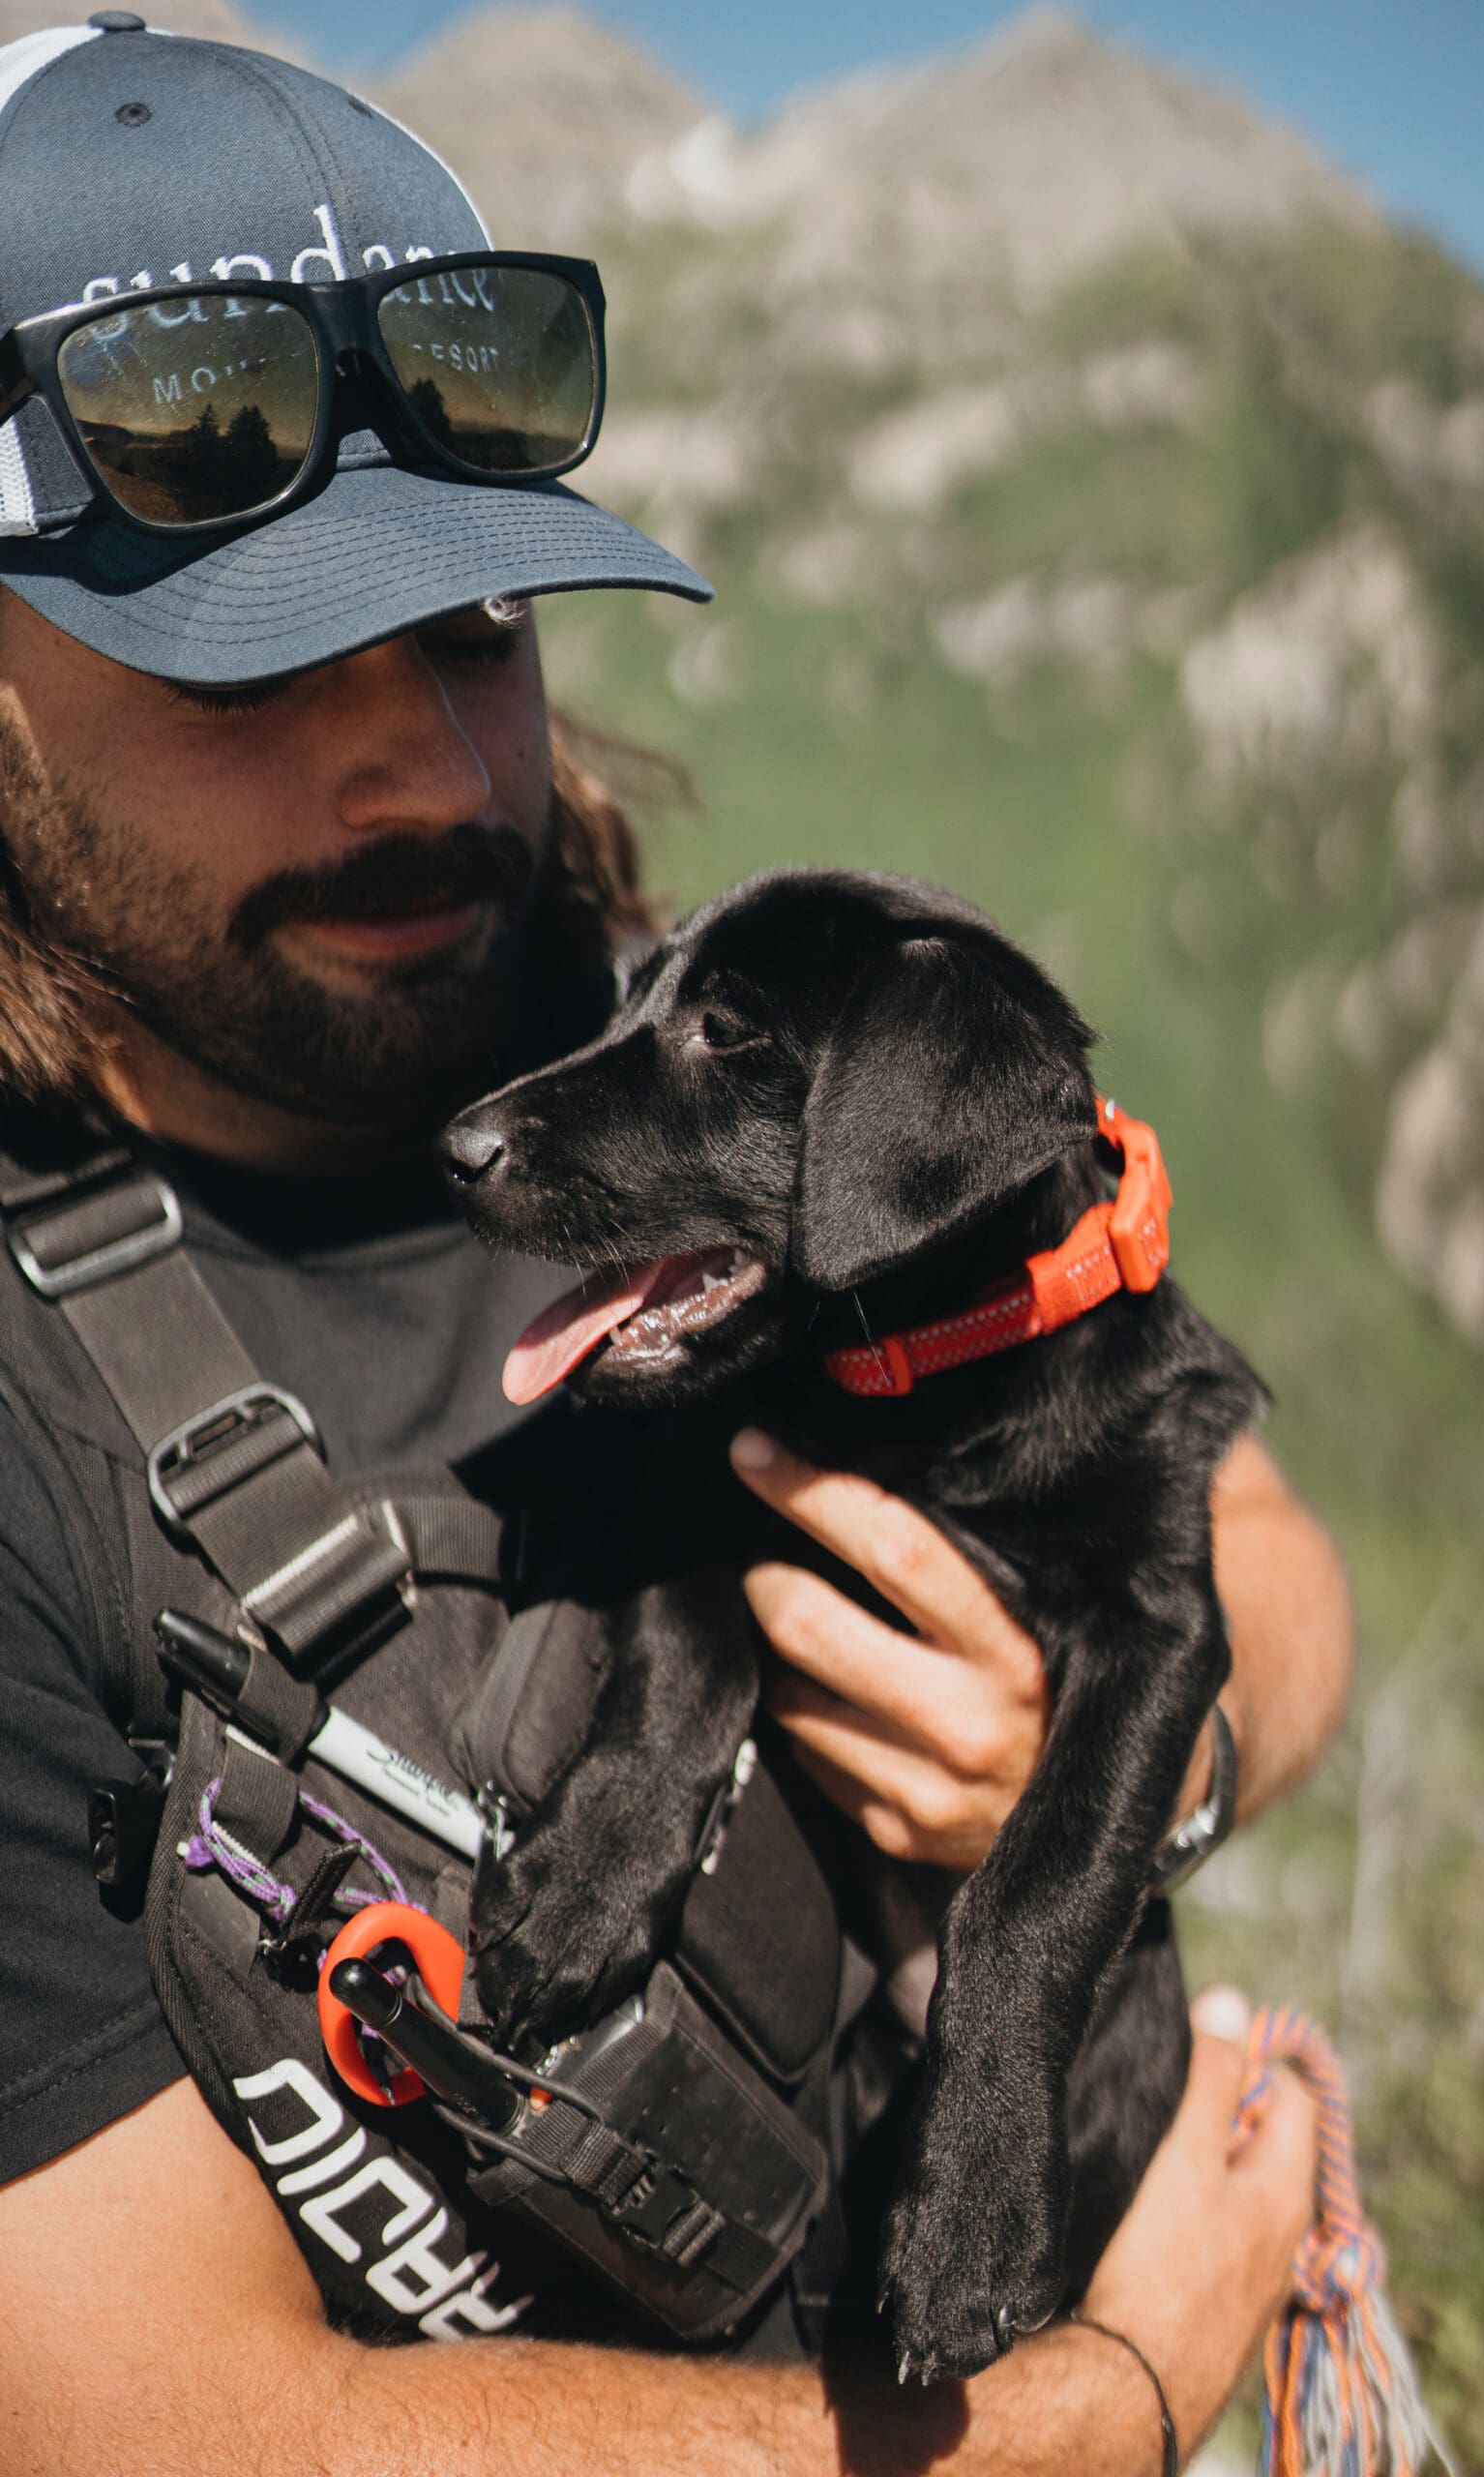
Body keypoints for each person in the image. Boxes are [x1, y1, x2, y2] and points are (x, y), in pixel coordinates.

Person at [0, 17, 1350, 2472]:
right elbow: (143, 2417)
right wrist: (1106, 2395)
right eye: (257, 660)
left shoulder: (653, 1040)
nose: (417, 761)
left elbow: (1239, 1521)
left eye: (475, 624)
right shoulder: (26, 1422)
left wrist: (1111, 1774)